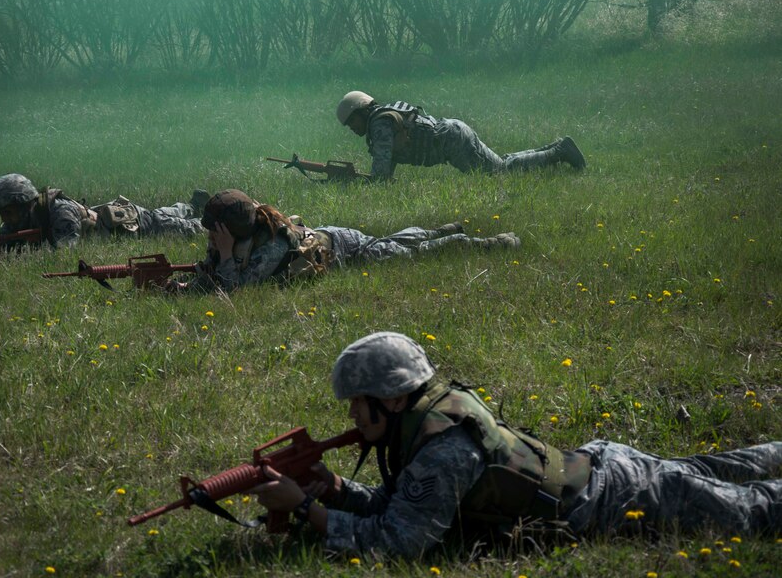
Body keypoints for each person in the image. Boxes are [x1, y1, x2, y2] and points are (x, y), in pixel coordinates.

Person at [249, 332, 782, 559]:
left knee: (757, 511)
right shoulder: (430, 416)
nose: (349, 414)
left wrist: (306, 510)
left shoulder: (441, 447)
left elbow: (397, 542)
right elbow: (408, 503)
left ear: (388, 399)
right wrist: (337, 490)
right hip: (603, 466)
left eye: (356, 400)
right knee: (719, 468)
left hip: (613, 497)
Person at [170, 189, 520, 293]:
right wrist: (186, 286)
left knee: (406, 255)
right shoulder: (236, 235)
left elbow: (240, 289)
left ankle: (487, 242)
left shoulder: (273, 245)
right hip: (335, 238)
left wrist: (227, 253)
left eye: (215, 232)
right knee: (391, 244)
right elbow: (213, 276)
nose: (211, 238)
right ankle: (443, 229)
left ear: (230, 229)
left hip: (342, 249)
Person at [336, 91, 587, 180]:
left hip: (452, 141)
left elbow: (380, 174)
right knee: (501, 163)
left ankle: (559, 152)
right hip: (453, 131)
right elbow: (386, 173)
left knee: (501, 172)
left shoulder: (379, 125)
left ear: (360, 112)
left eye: (351, 123)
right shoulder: (384, 115)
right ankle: (556, 147)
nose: (352, 129)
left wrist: (350, 181)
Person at [0, 173, 209, 249]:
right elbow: (5, 244)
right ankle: (190, 206)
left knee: (191, 228)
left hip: (134, 224)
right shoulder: (18, 222)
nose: (5, 219)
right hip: (114, 216)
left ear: (24, 203)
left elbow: (64, 253)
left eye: (8, 211)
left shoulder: (60, 212)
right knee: (162, 213)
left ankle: (200, 212)